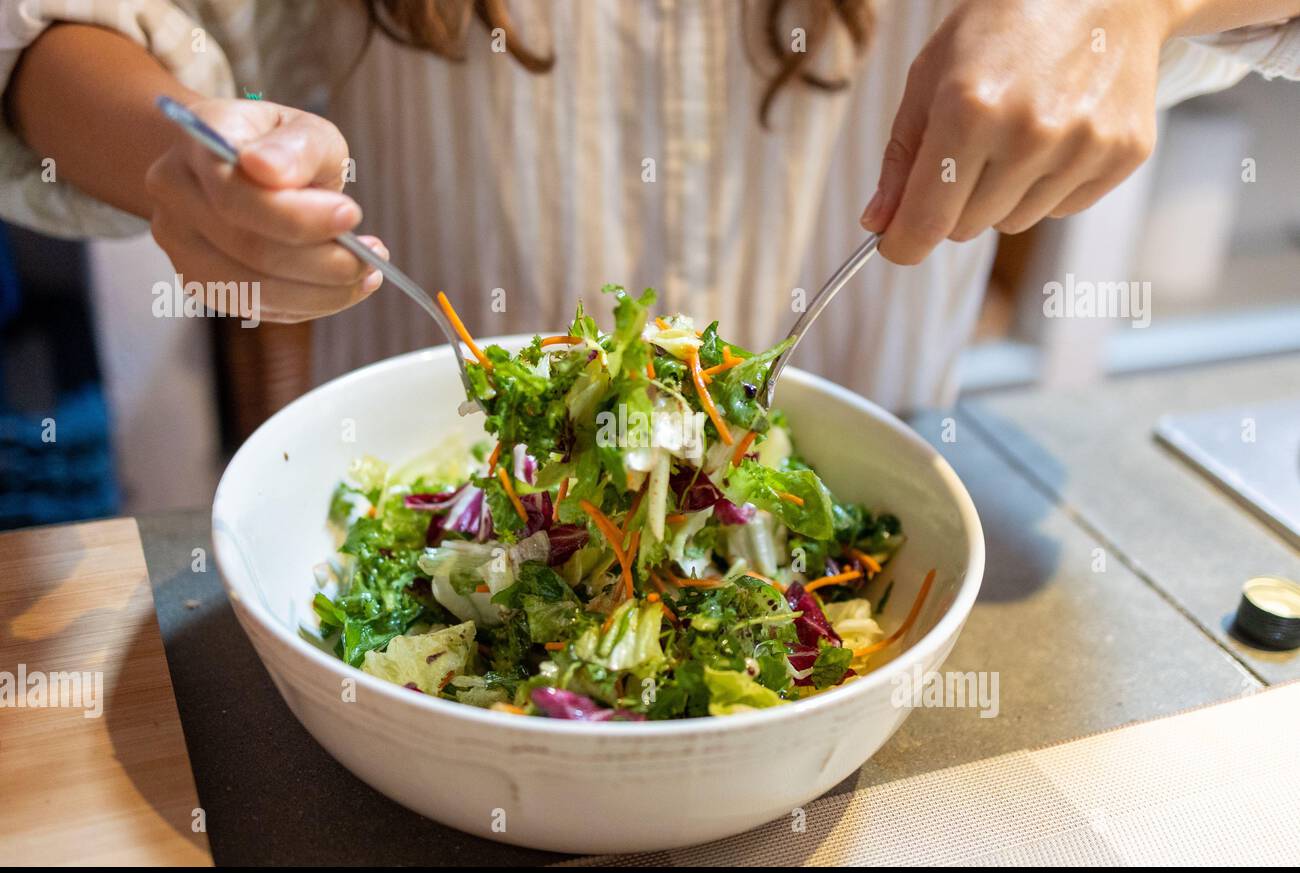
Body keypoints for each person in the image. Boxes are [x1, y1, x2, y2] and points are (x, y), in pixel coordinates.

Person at [1, 0, 1297, 413]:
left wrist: (1131, 10)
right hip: (434, 575)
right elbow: (55, 27)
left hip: (862, 586)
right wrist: (184, 155)